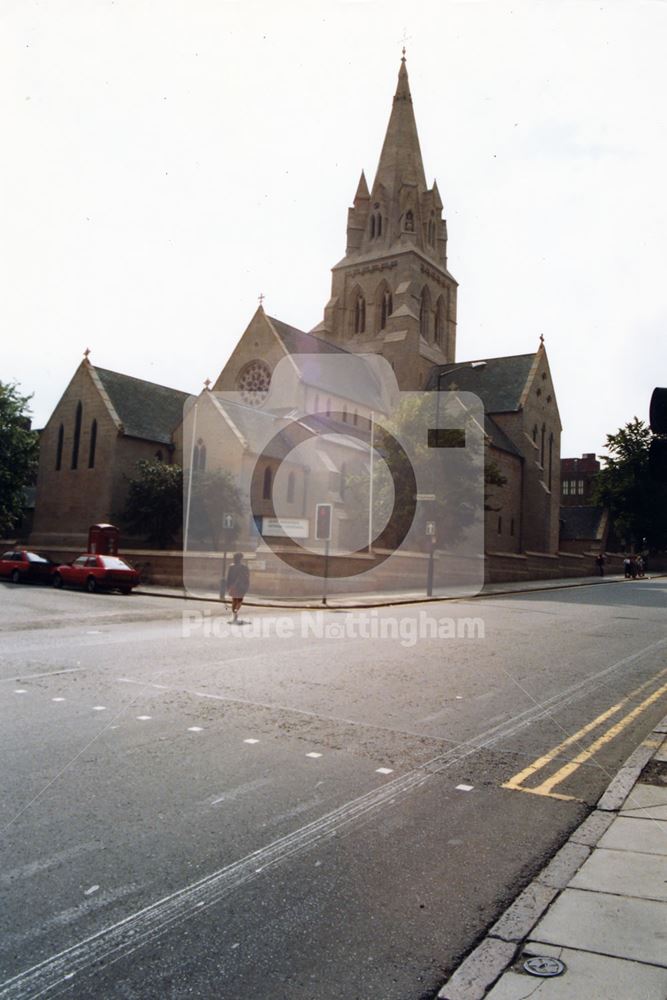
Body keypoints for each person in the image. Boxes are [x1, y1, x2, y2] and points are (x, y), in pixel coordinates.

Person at [226, 552, 249, 624]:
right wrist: (247, 585)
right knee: (239, 600)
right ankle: (235, 612)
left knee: (235, 600)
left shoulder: (231, 566)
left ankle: (234, 612)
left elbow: (228, 577)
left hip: (234, 586)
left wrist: (228, 586)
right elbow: (247, 577)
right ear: (241, 558)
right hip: (241, 586)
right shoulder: (244, 567)